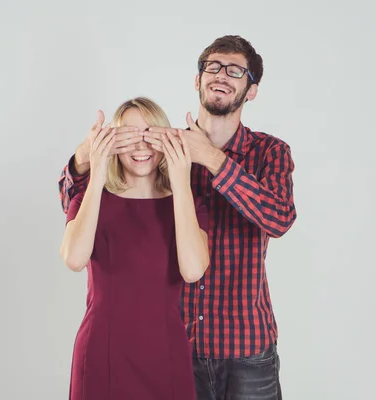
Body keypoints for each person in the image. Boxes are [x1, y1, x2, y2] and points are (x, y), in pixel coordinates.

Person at [58, 35, 297, 400]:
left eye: (236, 71)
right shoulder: (161, 149)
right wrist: (86, 155)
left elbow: (279, 219)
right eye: (212, 67)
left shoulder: (270, 151)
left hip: (245, 345)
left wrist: (213, 160)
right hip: (180, 344)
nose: (222, 75)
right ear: (197, 80)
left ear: (251, 91)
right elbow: (75, 196)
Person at [59, 97, 210, 400]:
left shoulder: (186, 203)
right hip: (103, 350)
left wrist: (180, 181)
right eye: (129, 137)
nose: (141, 147)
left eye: (150, 135)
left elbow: (193, 270)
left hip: (166, 353)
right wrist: (98, 171)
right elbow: (74, 259)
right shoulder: (89, 198)